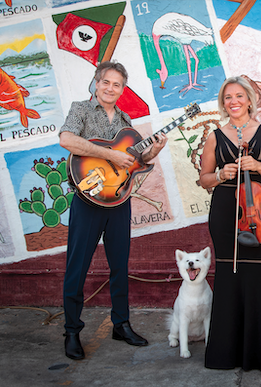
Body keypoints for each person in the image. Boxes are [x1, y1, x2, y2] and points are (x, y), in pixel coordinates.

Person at [59, 61, 167, 360]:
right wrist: (109, 154)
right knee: (77, 267)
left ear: (122, 89)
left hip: (118, 201)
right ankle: (71, 330)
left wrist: (152, 152)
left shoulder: (125, 120)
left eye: (116, 84)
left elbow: (133, 165)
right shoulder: (80, 108)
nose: (110, 88)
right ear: (96, 82)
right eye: (106, 82)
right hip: (87, 201)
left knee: (120, 266)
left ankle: (121, 323)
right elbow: (67, 139)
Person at [200, 76, 261, 375]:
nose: (233, 101)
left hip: (257, 213)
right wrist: (221, 174)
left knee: (257, 279)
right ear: (223, 103)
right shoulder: (215, 136)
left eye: (239, 96)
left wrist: (259, 167)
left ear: (250, 100)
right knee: (229, 277)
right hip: (225, 213)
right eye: (228, 97)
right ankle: (225, 354)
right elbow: (204, 180)